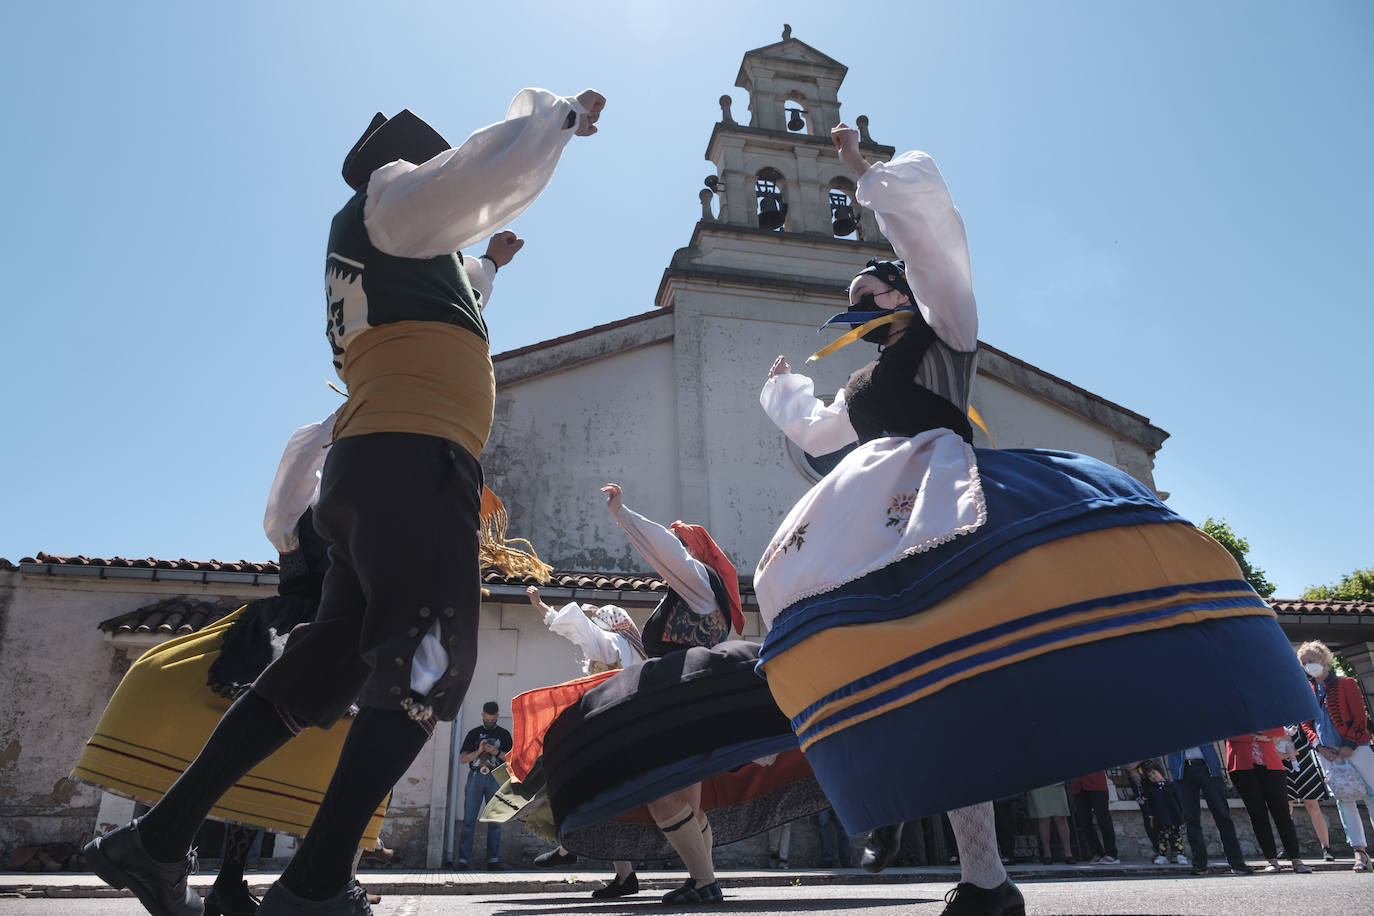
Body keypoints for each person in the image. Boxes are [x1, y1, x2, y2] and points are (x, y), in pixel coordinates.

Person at [753, 123, 1315, 916]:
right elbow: (816, 433)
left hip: (948, 500)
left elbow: (935, 247)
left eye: (868, 297)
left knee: (999, 643)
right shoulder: (864, 384)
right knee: (936, 687)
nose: (858, 311)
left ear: (900, 293)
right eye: (855, 307)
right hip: (874, 517)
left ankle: (1130, 741)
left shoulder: (945, 328)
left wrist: (868, 178)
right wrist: (781, 397)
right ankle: (983, 877)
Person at [82, 87, 606, 916]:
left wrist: (494, 266)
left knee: (325, 667)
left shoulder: (389, 248)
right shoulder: (390, 196)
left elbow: (458, 282)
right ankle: (317, 882)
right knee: (434, 661)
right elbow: (471, 176)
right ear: (402, 168)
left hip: (378, 465)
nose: (443, 176)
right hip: (415, 460)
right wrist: (553, 122)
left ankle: (153, 840)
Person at [73, 409, 391, 916]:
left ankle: (250, 877)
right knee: (301, 738)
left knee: (298, 747)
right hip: (306, 627)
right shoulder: (311, 506)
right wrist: (358, 409)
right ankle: (285, 880)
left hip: (319, 628)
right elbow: (305, 450)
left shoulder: (358, 504)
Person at [536, 484, 828, 907]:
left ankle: (705, 882)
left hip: (683, 697)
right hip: (689, 696)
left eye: (683, 544)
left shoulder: (698, 582)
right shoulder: (696, 594)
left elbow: (669, 552)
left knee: (664, 794)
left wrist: (624, 515)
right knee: (681, 795)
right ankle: (701, 879)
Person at [525, 585, 641, 898]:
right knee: (603, 799)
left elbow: (580, 629)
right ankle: (623, 874)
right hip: (626, 734)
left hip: (605, 733)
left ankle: (570, 848)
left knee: (573, 785)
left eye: (597, 619)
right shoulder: (636, 652)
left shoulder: (609, 642)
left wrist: (541, 607)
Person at [1298, 640, 1374, 872]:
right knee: (1345, 800)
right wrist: (1319, 747)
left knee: (1372, 795)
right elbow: (1306, 724)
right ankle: (1359, 852)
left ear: (1324, 659)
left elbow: (1360, 717)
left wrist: (1351, 743)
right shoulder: (1307, 691)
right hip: (1327, 754)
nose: (1308, 665)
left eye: (1311, 660)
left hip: (1356, 748)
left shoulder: (1346, 684)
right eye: (1304, 663)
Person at [1226, 730, 1312, 873]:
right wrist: (1258, 737)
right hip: (1242, 766)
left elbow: (1278, 730)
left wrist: (1263, 736)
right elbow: (1230, 734)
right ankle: (1272, 860)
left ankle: (1296, 859)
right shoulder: (1231, 711)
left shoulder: (1264, 709)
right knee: (1258, 815)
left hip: (1272, 765)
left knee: (1282, 814)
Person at [1165, 745, 1254, 875]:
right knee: (1191, 819)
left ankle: (1237, 862)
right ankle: (1199, 864)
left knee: (1222, 815)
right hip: (1182, 770)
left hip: (1207, 767)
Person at [456, 701, 513, 870]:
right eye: (487, 720)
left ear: (496, 716)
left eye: (492, 720)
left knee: (495, 819)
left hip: (496, 777)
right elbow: (463, 759)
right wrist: (479, 752)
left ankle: (493, 860)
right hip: (475, 776)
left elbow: (512, 759)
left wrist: (496, 752)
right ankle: (463, 860)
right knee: (469, 819)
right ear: (482, 715)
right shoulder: (474, 733)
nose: (489, 723)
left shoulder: (503, 734)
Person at [1282, 723, 1334, 861]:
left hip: (1304, 763)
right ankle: (1289, 848)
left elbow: (1306, 743)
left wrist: (1290, 753)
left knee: (1313, 806)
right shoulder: (1273, 719)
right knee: (1286, 808)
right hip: (1282, 767)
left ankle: (1326, 848)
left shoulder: (1297, 718)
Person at [1136, 760, 1187, 865]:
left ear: (1160, 772)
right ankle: (1162, 855)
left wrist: (1182, 813)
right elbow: (1149, 804)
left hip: (1174, 816)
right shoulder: (1151, 789)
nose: (1153, 777)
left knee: (1177, 836)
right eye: (1150, 776)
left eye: (1154, 773)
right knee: (1162, 837)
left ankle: (1180, 854)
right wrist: (1151, 816)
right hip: (1161, 817)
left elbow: (1179, 800)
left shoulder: (1171, 785)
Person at [1068, 772, 1119, 864]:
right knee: (1084, 821)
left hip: (1097, 783)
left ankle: (1111, 853)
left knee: (1103, 818)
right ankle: (1097, 852)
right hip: (1077, 785)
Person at [1024, 785, 1074, 865]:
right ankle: (1047, 854)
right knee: (1043, 817)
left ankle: (1068, 853)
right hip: (1038, 783)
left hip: (1055, 782)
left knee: (1061, 817)